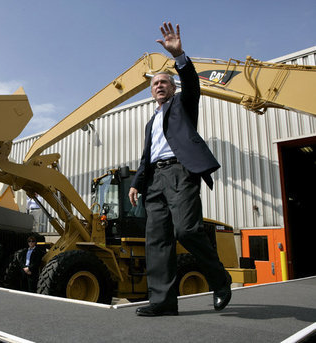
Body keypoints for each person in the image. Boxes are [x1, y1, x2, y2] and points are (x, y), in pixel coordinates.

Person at [128, 22, 231, 317]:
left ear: (173, 88)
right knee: (157, 240)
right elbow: (146, 157)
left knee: (186, 230)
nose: (159, 85)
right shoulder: (150, 124)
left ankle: (220, 279)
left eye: (164, 82)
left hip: (180, 173)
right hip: (154, 180)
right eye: (155, 83)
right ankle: (162, 302)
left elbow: (192, 84)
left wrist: (180, 56)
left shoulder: (183, 106)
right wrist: (136, 182)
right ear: (151, 92)